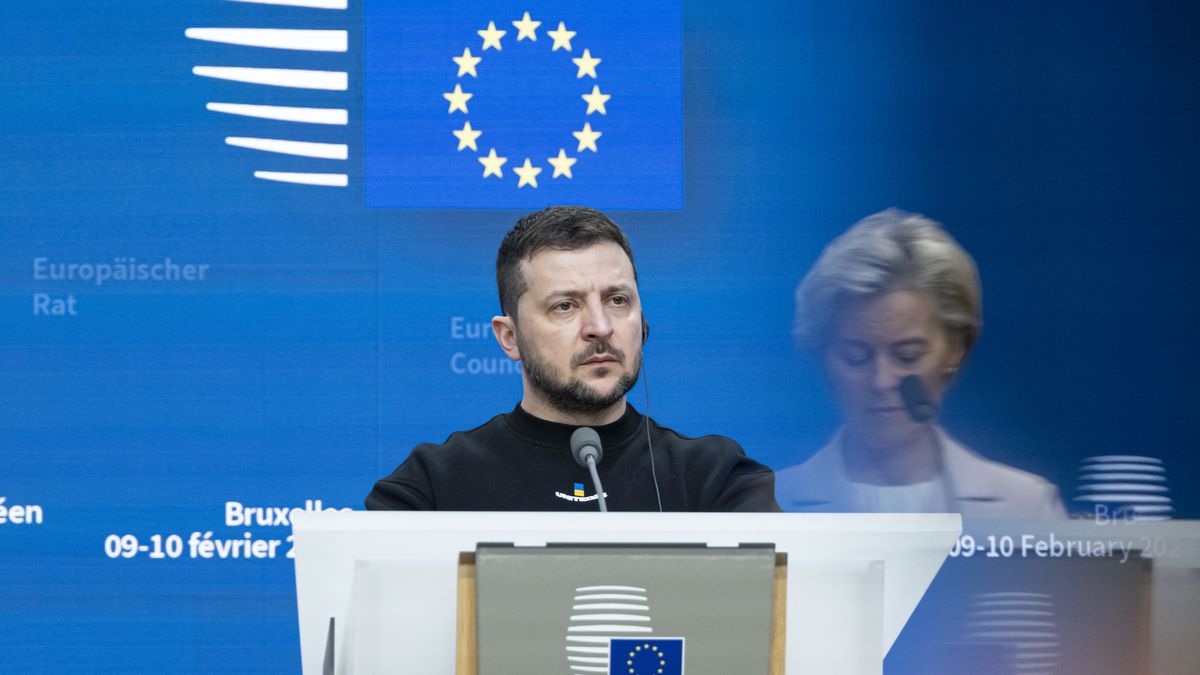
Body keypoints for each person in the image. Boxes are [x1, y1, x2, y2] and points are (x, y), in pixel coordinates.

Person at [367, 206, 779, 511]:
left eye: (618, 300)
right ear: (509, 337)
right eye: (565, 306)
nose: (600, 326)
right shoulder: (431, 488)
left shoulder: (718, 480)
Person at [776, 208, 1064, 518]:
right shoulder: (762, 508)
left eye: (907, 356)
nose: (882, 381)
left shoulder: (1027, 508)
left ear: (955, 349)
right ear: (824, 356)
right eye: (856, 357)